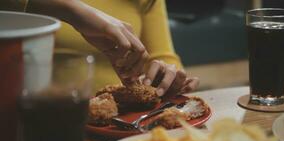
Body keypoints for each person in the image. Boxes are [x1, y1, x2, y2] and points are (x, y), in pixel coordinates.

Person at [1, 0, 199, 97]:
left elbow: (161, 55)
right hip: (47, 120)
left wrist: (169, 74)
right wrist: (71, 9)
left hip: (126, 124)